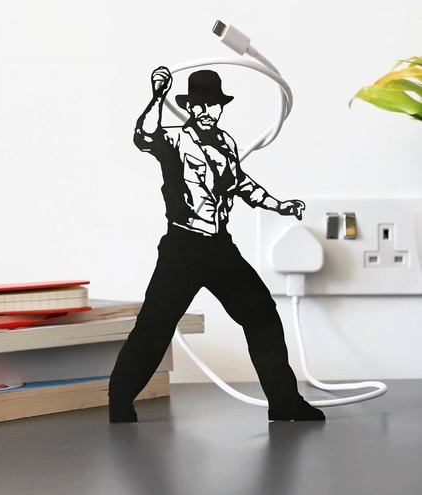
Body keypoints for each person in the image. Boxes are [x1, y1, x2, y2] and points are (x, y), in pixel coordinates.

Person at [108, 67, 325, 422]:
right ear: (189, 107)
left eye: (213, 105)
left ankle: (284, 401)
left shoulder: (226, 143)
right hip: (183, 246)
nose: (207, 111)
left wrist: (279, 205)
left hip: (220, 248)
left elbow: (240, 183)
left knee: (262, 315)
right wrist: (158, 95)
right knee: (155, 326)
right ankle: (119, 401)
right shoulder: (174, 139)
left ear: (221, 107)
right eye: (199, 105)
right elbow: (143, 136)